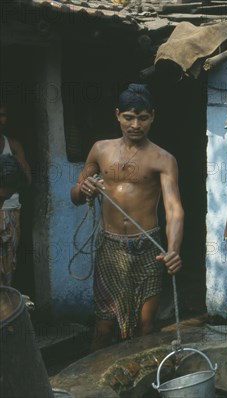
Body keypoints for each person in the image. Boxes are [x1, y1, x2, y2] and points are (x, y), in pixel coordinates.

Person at [70, 84, 184, 351]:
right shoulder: (99, 149)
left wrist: (173, 250)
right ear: (117, 115)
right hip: (109, 248)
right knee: (103, 327)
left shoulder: (164, 159)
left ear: (152, 117)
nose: (136, 125)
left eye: (143, 118)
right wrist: (83, 189)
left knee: (145, 327)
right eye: (129, 117)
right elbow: (75, 195)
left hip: (148, 250)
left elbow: (174, 208)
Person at [0, 104, 32, 286]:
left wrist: (15, 165)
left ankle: (5, 310)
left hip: (10, 210)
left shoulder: (12, 145)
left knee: (8, 265)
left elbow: (27, 180)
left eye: (2, 115)